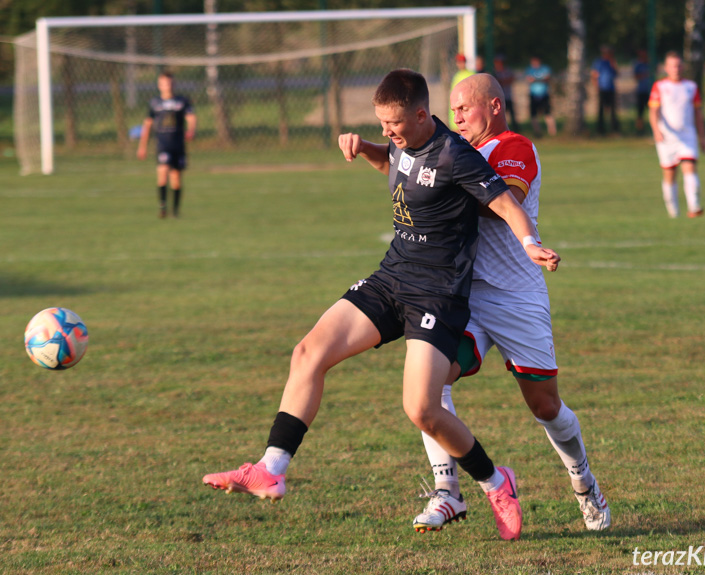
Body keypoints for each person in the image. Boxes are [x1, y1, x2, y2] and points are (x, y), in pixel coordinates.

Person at [202, 69, 561, 542]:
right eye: (381, 123)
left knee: (422, 409)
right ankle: (272, 468)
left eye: (393, 124)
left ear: (419, 114)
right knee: (308, 352)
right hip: (392, 277)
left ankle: (496, 483)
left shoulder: (457, 154)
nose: (387, 131)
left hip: (439, 293)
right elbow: (393, 161)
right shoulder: (401, 142)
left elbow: (504, 203)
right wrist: (364, 147)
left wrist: (531, 242)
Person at [411, 73, 611, 535]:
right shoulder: (452, 150)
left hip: (517, 298)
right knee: (427, 385)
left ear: (494, 107)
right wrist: (371, 149)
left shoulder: (513, 146)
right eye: (453, 109)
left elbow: (504, 199)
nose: (457, 116)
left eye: (466, 107)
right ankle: (448, 492)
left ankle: (583, 482)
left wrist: (441, 188)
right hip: (466, 299)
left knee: (544, 407)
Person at [649, 52, 705, 219]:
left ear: (683, 67)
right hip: (667, 138)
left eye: (679, 65)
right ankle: (673, 212)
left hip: (687, 136)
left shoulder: (691, 87)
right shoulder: (660, 86)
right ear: (666, 68)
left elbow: (697, 113)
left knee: (689, 167)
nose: (676, 68)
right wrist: (656, 130)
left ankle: (694, 207)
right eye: (672, 65)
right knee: (670, 174)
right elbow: (654, 111)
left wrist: (702, 137)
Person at [137, 71, 197, 219]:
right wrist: (142, 146)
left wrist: (191, 130)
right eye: (164, 83)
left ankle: (175, 211)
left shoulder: (182, 101)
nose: (167, 86)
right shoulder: (155, 103)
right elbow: (147, 125)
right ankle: (162, 208)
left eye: (169, 83)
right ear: (159, 85)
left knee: (176, 178)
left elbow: (191, 118)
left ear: (173, 84)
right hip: (163, 144)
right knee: (162, 172)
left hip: (178, 145)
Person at [525, 56, 556, 137]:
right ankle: (537, 133)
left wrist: (535, 80)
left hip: (544, 94)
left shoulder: (545, 68)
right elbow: (529, 79)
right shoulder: (530, 70)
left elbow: (547, 78)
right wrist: (540, 79)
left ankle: (552, 133)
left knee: (548, 113)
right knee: (534, 115)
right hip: (533, 94)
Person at [591, 46, 620, 134]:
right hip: (602, 89)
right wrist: (596, 86)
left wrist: (613, 63)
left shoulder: (611, 62)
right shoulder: (599, 62)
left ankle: (614, 129)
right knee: (601, 110)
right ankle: (600, 130)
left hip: (611, 88)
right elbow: (594, 75)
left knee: (613, 111)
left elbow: (616, 74)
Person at [493, 54, 520, 132]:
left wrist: (502, 81)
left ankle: (515, 129)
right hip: (499, 98)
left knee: (512, 114)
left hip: (507, 96)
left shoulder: (507, 70)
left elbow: (511, 79)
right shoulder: (494, 71)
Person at [449, 54, 476, 127]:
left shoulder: (471, 74)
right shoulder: (456, 76)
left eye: (462, 62)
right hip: (457, 111)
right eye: (458, 62)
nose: (460, 64)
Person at [633, 49, 652, 133]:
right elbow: (636, 76)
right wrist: (645, 75)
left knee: (653, 111)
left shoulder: (650, 64)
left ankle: (653, 129)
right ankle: (640, 130)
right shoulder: (638, 64)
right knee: (640, 112)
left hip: (651, 92)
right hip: (641, 91)